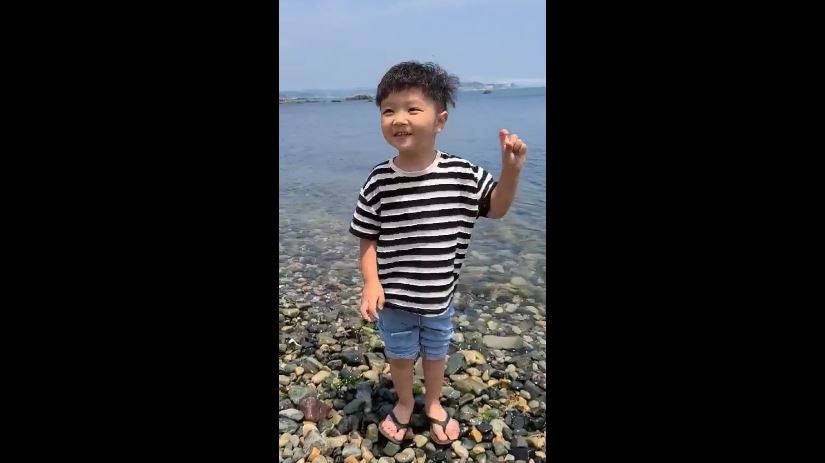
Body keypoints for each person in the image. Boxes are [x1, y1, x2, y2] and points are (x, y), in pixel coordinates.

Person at [348, 61, 528, 445]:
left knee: (435, 354)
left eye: (413, 109)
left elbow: (496, 208)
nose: (399, 118)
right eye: (388, 110)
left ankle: (432, 402)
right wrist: (371, 282)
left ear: (440, 120)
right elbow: (367, 237)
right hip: (394, 299)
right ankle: (403, 402)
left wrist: (510, 172)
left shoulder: (462, 174)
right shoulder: (379, 180)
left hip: (438, 297)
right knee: (399, 356)